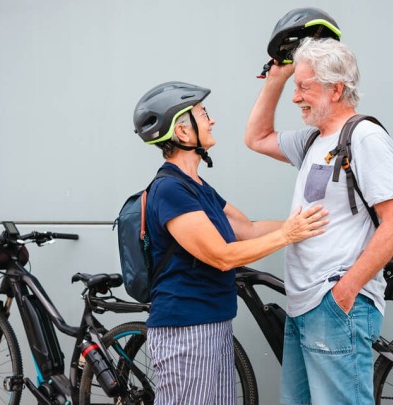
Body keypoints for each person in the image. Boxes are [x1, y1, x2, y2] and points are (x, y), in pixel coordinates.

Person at [132, 81, 328, 405]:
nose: (212, 120)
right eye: (204, 114)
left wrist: (311, 226)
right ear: (182, 133)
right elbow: (221, 256)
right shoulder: (170, 191)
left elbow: (247, 229)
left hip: (214, 324)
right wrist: (288, 235)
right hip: (185, 330)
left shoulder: (197, 187)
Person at [245, 38, 393, 404]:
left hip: (334, 304)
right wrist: (277, 78)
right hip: (303, 304)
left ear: (336, 89)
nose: (296, 97)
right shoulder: (314, 140)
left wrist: (344, 293)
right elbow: (256, 138)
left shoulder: (365, 137)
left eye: (303, 86)